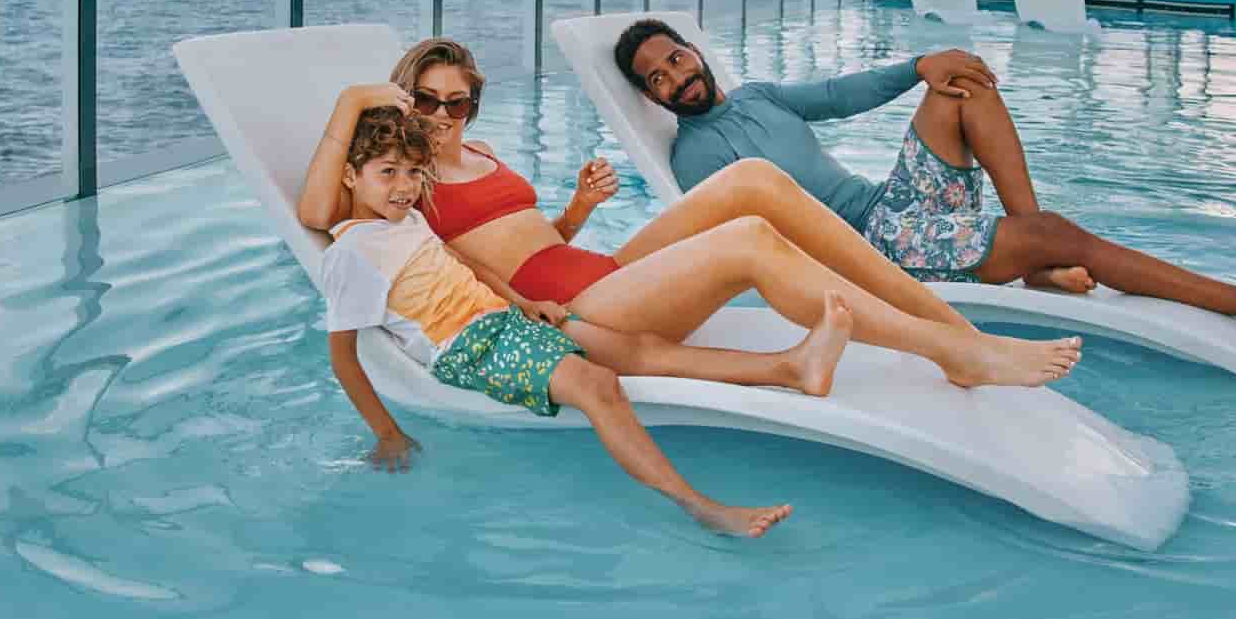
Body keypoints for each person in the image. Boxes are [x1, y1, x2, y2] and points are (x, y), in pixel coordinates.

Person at [296, 39, 1083, 392]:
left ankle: (957, 334)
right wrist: (351, 102)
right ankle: (951, 351)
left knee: (755, 180)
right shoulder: (396, 181)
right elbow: (315, 208)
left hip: (596, 267)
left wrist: (573, 211)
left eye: (456, 100)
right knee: (747, 241)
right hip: (567, 309)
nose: (442, 113)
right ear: (404, 97)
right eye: (426, 98)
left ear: (474, 103)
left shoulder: (483, 150)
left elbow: (532, 240)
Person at [611, 18, 1236, 342]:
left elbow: (838, 96)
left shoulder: (759, 95)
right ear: (650, 100)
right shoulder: (692, 164)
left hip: (890, 206)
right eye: (657, 80)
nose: (675, 79)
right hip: (874, 253)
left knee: (961, 82)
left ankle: (1042, 264)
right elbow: (742, 243)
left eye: (676, 60)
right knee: (1052, 233)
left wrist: (918, 65)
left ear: (695, 54)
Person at [323, 106, 839, 535]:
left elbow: (467, 265)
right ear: (351, 175)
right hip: (470, 345)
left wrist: (522, 302)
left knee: (636, 349)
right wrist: (386, 432)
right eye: (387, 172)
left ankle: (790, 370)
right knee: (600, 386)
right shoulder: (353, 253)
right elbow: (343, 353)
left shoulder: (409, 220)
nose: (405, 186)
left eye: (414, 172)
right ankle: (700, 506)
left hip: (504, 316)